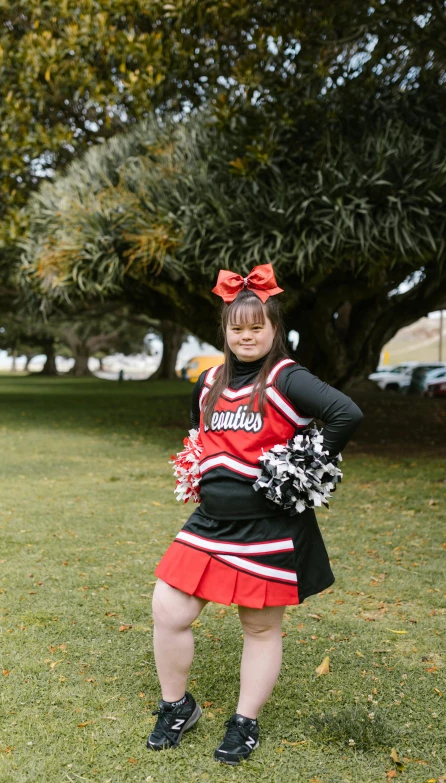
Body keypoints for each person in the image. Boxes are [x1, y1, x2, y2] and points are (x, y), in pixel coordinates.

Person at [147, 264, 363, 764]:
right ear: (224, 331)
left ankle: (244, 722)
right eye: (237, 328)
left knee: (260, 627)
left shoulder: (288, 378)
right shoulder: (208, 380)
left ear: (273, 330)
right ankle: (177, 707)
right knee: (168, 608)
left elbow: (346, 413)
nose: (246, 336)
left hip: (268, 527)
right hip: (210, 523)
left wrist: (303, 465)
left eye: (256, 328)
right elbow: (202, 437)